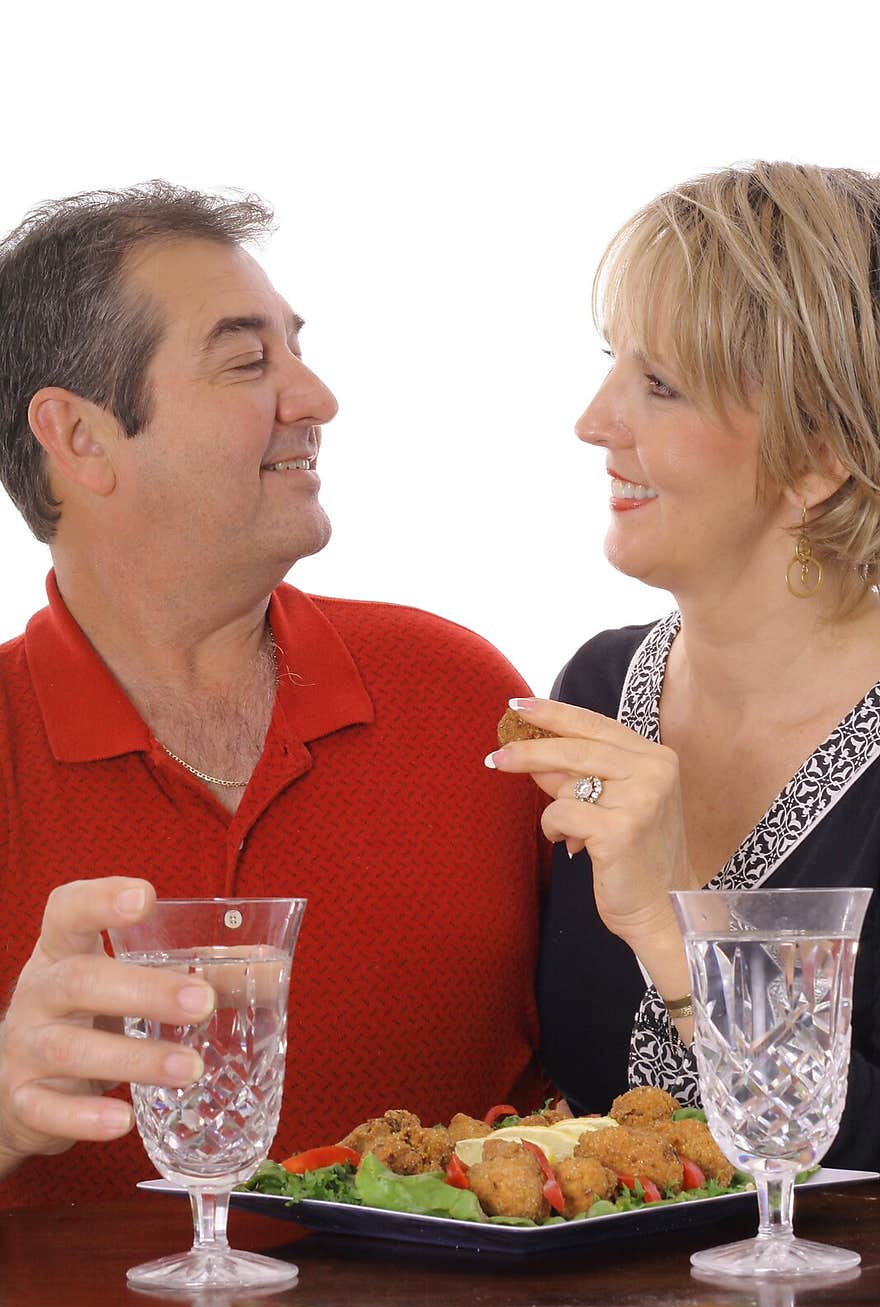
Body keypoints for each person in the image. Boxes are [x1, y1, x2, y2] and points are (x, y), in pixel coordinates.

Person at [0, 182, 549, 1209]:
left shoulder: (465, 698)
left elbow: (628, 1085)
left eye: (294, 348)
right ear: (77, 438)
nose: (316, 397)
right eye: (248, 361)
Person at [484, 161, 880, 1171]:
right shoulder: (594, 692)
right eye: (612, 363)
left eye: (657, 385)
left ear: (818, 455)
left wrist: (677, 934)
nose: (593, 421)